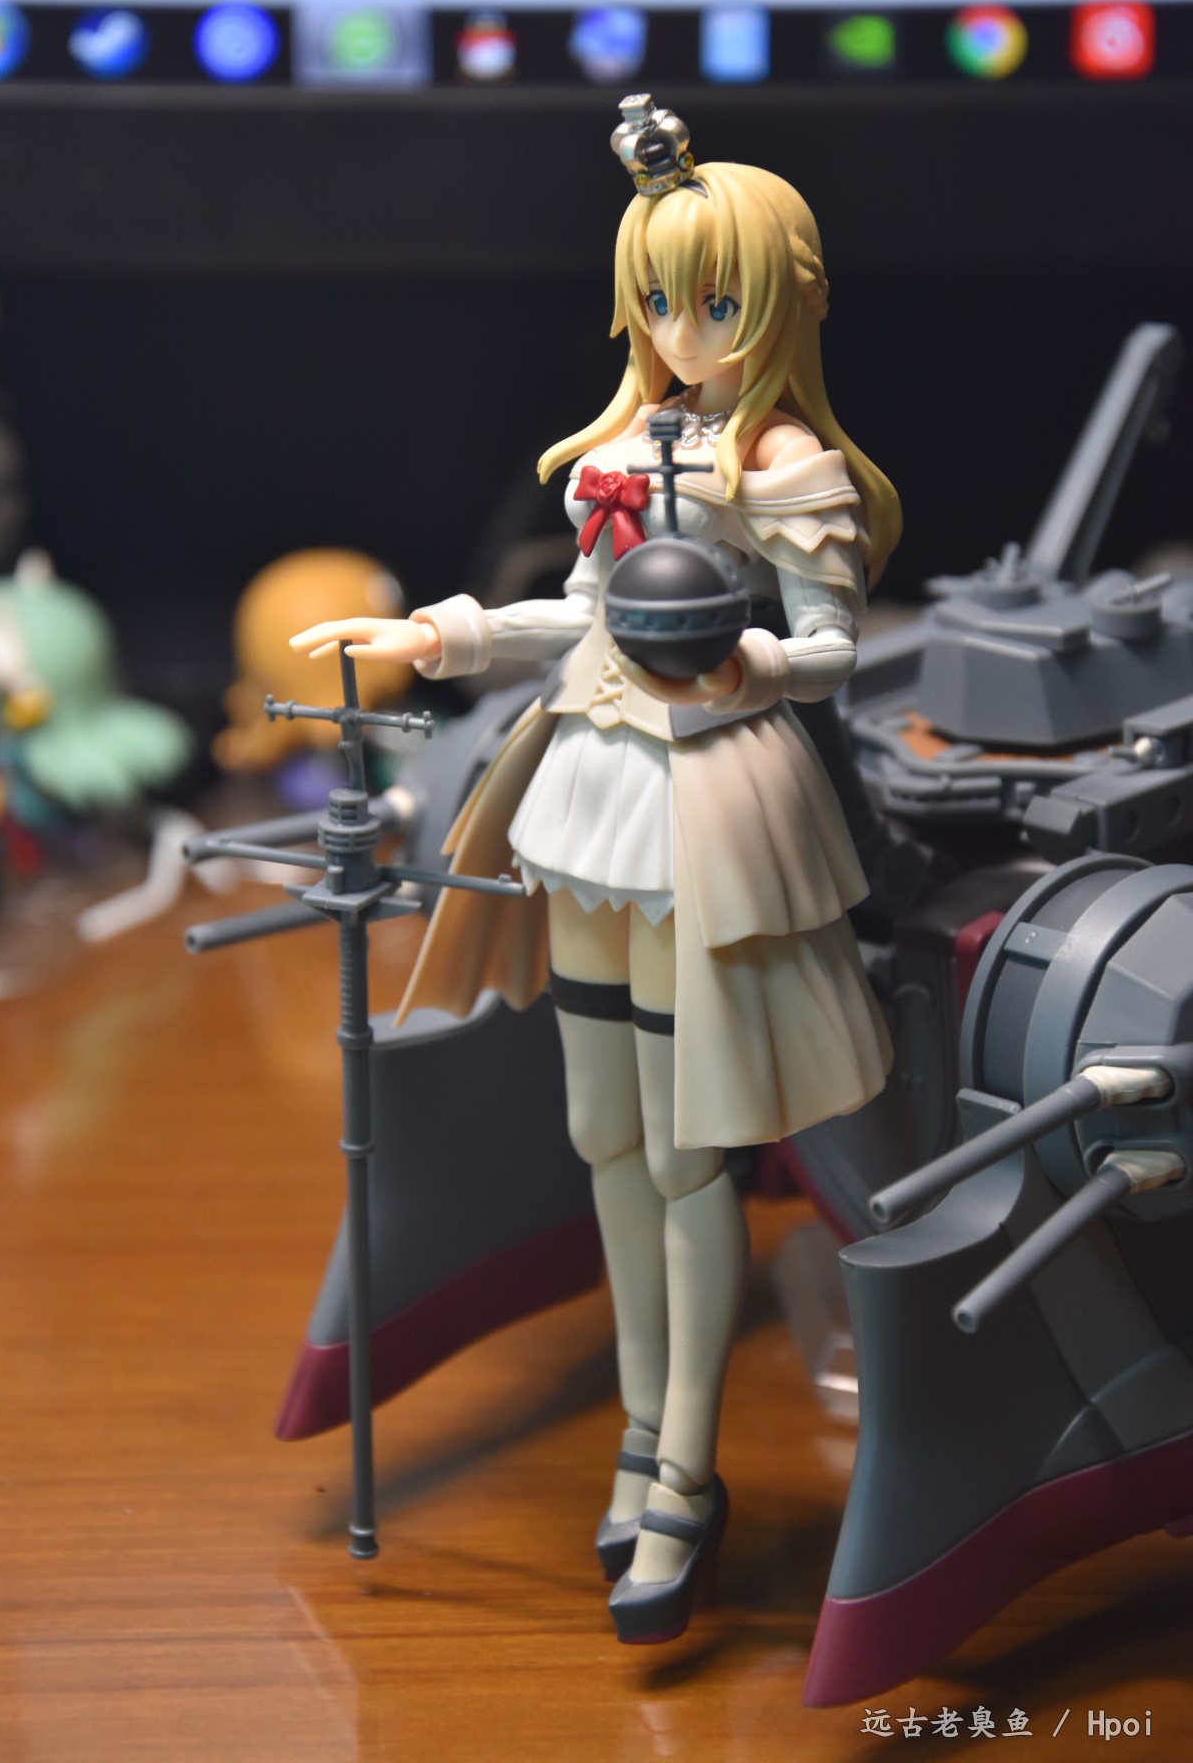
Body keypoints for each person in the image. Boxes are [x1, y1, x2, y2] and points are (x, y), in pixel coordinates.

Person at [291, 94, 900, 1644]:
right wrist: (444, 635)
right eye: (661, 300)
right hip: (586, 797)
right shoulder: (621, 453)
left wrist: (742, 659)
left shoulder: (787, 464)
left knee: (691, 1155)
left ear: (778, 303)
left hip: (715, 800)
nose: (685, 331)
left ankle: (686, 1467)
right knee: (605, 1138)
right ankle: (639, 1429)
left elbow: (834, 645)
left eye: (716, 302)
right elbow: (584, 608)